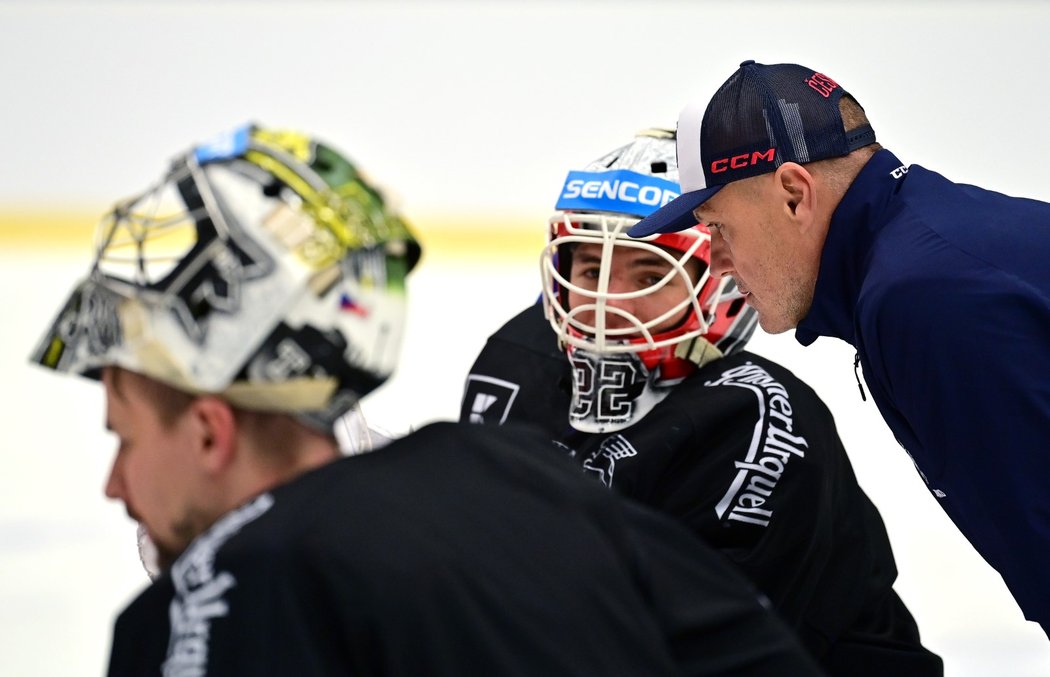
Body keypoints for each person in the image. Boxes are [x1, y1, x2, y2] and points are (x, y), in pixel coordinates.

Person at [31, 123, 824, 676]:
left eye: (124, 438)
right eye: (589, 267)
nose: (113, 483)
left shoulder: (213, 605)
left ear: (210, 430)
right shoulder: (521, 473)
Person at [462, 129, 943, 675]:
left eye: (650, 275)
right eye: (591, 270)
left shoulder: (757, 416)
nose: (606, 306)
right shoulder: (518, 358)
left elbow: (682, 650)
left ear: (717, 285)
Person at [627, 60, 1050, 637]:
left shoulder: (924, 299)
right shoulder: (926, 250)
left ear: (795, 195)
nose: (716, 261)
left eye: (719, 227)